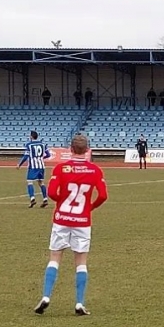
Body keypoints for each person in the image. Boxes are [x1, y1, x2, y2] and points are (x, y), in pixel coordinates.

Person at [35, 134, 108, 316]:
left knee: (55, 257)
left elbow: (51, 192)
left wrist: (62, 203)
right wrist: (89, 207)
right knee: (81, 261)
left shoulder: (61, 168)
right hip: (83, 221)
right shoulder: (95, 170)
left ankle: (46, 296)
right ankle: (79, 302)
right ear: (87, 150)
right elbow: (103, 196)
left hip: (61, 219)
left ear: (70, 149)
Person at [17, 131, 50, 208]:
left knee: (29, 182)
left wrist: (19, 164)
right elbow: (48, 155)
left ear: (31, 136)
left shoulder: (29, 145)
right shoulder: (43, 144)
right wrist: (41, 158)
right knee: (41, 182)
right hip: (41, 166)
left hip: (33, 166)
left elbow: (25, 157)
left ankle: (32, 199)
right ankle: (45, 199)